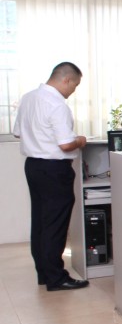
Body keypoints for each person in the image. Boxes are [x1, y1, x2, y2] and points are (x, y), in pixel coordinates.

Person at [13, 62, 89, 291]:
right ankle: (57, 278)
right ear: (66, 79)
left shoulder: (28, 98)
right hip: (55, 169)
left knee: (40, 221)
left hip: (33, 166)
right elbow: (65, 144)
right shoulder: (57, 105)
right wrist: (80, 140)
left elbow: (17, 133)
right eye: (74, 85)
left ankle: (44, 274)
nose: (73, 91)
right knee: (55, 223)